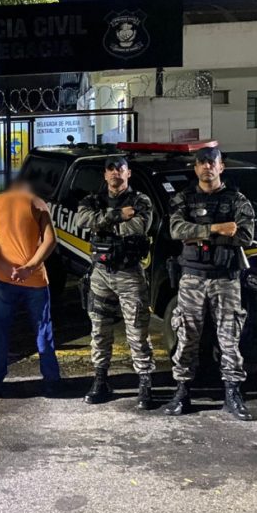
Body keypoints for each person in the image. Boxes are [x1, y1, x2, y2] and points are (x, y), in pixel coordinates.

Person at [164, 146, 256, 421]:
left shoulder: (237, 200)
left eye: (211, 162)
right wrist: (216, 229)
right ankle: (182, 392)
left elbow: (245, 236)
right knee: (187, 336)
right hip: (192, 277)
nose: (207, 167)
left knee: (229, 339)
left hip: (225, 279)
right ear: (195, 168)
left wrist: (198, 234)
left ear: (220, 167)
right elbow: (176, 230)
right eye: (201, 163)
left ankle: (233, 393)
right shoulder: (183, 198)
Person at [74, 155, 155, 408]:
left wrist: (104, 223)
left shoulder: (141, 201)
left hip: (129, 273)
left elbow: (138, 227)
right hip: (100, 273)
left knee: (137, 330)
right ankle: (100, 380)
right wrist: (118, 215)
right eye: (111, 169)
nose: (115, 173)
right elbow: (83, 221)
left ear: (128, 173)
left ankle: (144, 383)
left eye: (120, 168)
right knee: (99, 330)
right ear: (105, 174)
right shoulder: (92, 200)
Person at [0, 179, 61, 397]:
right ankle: (51, 380)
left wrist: (6, 266)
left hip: (4, 280)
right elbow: (50, 240)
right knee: (43, 328)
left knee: (1, 329)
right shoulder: (37, 203)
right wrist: (29, 267)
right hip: (35, 280)